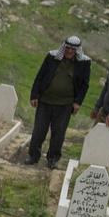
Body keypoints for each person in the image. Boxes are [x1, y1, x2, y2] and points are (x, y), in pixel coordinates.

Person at [25, 35, 92, 169]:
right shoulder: (52, 57)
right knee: (39, 130)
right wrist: (34, 95)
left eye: (73, 49)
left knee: (59, 133)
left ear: (77, 50)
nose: (69, 51)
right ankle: (33, 156)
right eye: (67, 48)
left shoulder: (84, 63)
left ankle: (53, 159)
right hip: (45, 101)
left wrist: (78, 102)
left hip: (65, 104)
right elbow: (40, 76)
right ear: (64, 47)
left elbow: (84, 84)